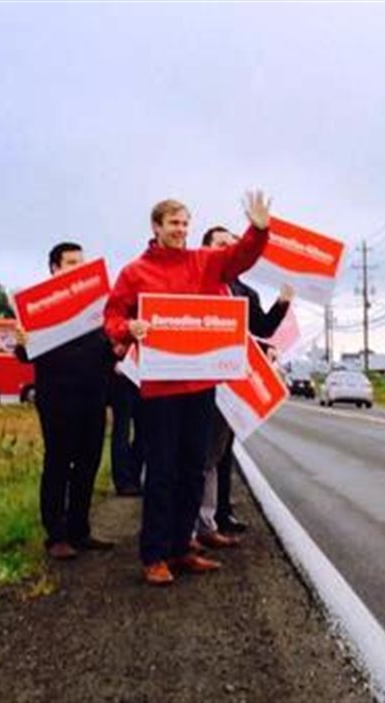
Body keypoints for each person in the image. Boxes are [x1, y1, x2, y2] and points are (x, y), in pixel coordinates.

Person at [104, 191, 271, 586]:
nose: (180, 230)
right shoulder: (135, 272)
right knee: (160, 472)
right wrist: (128, 328)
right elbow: (113, 314)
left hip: (201, 382)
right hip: (160, 388)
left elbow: (241, 258)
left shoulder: (205, 262)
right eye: (173, 223)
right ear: (156, 227)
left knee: (193, 470)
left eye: (184, 223)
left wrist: (259, 229)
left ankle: (182, 547)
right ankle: (154, 555)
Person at [16, 242, 118, 560]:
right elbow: (23, 354)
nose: (79, 267)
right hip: (57, 396)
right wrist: (21, 341)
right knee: (59, 462)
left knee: (88, 464)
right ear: (55, 269)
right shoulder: (41, 305)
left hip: (93, 394)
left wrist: (117, 349)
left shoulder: (98, 307)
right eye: (72, 262)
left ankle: (80, 530)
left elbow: (107, 347)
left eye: (82, 262)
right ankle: (56, 535)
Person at [197, 226, 294, 544]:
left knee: (221, 454)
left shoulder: (245, 292)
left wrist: (282, 302)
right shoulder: (196, 283)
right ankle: (190, 525)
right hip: (195, 382)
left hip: (231, 385)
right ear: (206, 248)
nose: (227, 249)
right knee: (195, 456)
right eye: (220, 244)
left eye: (232, 244)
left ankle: (216, 517)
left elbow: (261, 329)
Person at [108, 368, 144, 497]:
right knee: (122, 429)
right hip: (124, 374)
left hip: (142, 374)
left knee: (143, 431)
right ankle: (123, 480)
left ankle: (133, 476)